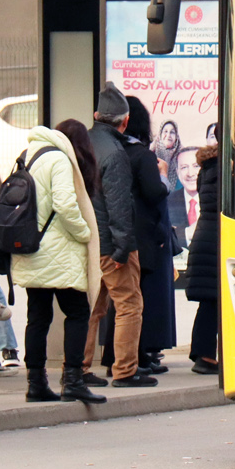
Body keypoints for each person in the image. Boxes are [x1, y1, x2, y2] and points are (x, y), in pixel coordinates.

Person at [11, 123, 105, 405]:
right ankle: (73, 380)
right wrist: (85, 233)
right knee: (77, 313)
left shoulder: (27, 155)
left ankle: (36, 383)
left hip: (31, 248)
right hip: (61, 252)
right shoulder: (60, 159)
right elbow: (65, 204)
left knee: (37, 318)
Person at [84, 83, 153, 387]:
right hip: (111, 244)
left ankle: (80, 368)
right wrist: (123, 249)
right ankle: (125, 370)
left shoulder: (81, 144)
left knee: (90, 309)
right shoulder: (116, 152)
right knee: (129, 305)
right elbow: (119, 205)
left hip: (86, 242)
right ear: (124, 122)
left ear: (96, 115)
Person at [124, 96, 176, 375]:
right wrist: (164, 176)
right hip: (145, 235)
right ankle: (137, 357)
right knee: (137, 300)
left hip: (120, 233)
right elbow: (155, 192)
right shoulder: (142, 156)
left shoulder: (114, 151)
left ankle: (126, 358)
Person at [186, 143, 220, 374]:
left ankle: (202, 353)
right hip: (216, 239)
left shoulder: (207, 169)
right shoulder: (223, 171)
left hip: (205, 236)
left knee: (209, 302)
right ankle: (205, 356)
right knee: (213, 301)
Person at [152, 119, 182, 194]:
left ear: (176, 137)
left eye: (172, 132)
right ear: (160, 135)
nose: (168, 135)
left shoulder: (181, 158)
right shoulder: (151, 155)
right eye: (165, 131)